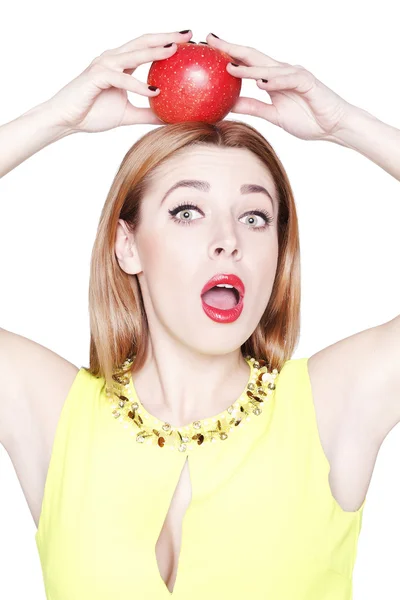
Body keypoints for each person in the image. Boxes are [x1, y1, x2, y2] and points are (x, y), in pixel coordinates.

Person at [0, 28, 399, 600]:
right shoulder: (50, 415)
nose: (227, 240)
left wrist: (346, 125)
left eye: (255, 218)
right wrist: (54, 118)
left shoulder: (334, 408)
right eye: (188, 211)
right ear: (128, 245)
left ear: (277, 252)